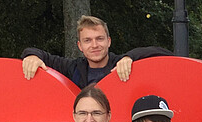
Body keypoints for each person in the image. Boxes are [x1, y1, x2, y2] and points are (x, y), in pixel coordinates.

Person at [21, 15, 169, 88]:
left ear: (108, 41)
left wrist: (129, 57)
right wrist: (31, 56)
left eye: (99, 39)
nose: (94, 45)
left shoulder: (122, 63)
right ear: (80, 46)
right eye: (87, 40)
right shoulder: (73, 68)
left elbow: (163, 53)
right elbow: (38, 53)